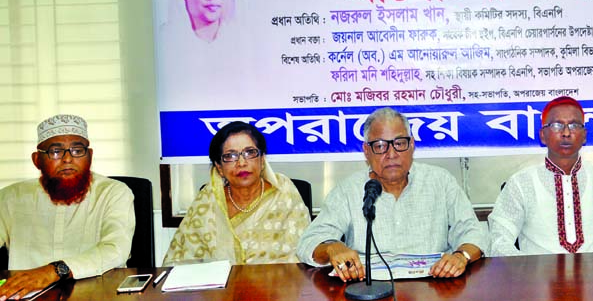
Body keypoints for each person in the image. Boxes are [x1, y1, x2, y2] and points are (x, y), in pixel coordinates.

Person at [297, 107, 487, 281]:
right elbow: (308, 243)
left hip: (435, 287)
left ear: (412, 145)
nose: (392, 154)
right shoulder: (349, 190)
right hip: (368, 289)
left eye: (399, 143)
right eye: (380, 146)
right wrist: (332, 247)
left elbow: (473, 231)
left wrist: (461, 256)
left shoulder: (441, 181)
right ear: (366, 151)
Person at [488, 96, 593, 256]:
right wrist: (529, 271)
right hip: (539, 277)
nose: (566, 133)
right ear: (543, 135)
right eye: (557, 125)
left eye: (574, 125)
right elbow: (499, 238)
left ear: (584, 135)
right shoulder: (521, 183)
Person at [0, 115, 135, 300]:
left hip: (99, 295)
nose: (67, 159)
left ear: (90, 156)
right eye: (55, 151)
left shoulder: (114, 193)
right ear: (37, 159)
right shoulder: (10, 198)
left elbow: (116, 249)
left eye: (77, 150)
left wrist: (54, 271)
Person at [163, 121, 310, 265]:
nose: (241, 163)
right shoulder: (208, 198)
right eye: (230, 156)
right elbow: (181, 260)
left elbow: (304, 252)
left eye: (249, 152)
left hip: (275, 286)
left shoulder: (283, 192)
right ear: (219, 167)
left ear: (262, 159)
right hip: (218, 287)